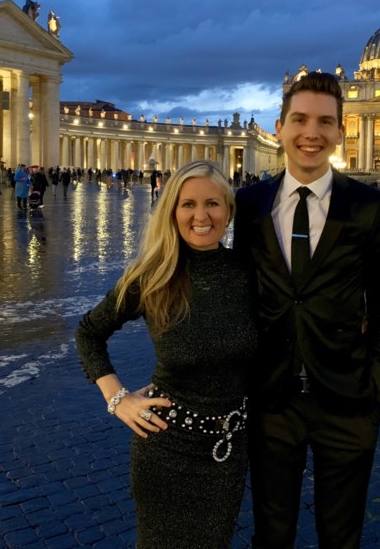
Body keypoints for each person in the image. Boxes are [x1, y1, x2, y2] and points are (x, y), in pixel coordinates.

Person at [233, 71, 380, 549]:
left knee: (342, 535)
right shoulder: (248, 204)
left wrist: (378, 393)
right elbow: (238, 292)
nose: (312, 133)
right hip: (271, 399)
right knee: (271, 532)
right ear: (280, 126)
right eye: (301, 120)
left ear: (340, 132)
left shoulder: (368, 205)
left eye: (325, 122)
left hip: (348, 401)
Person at [76, 160, 258, 549]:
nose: (201, 215)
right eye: (187, 204)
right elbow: (89, 332)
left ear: (229, 210)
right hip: (165, 449)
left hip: (228, 450)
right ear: (172, 211)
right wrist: (117, 399)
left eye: (212, 203)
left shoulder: (251, 272)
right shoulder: (153, 274)